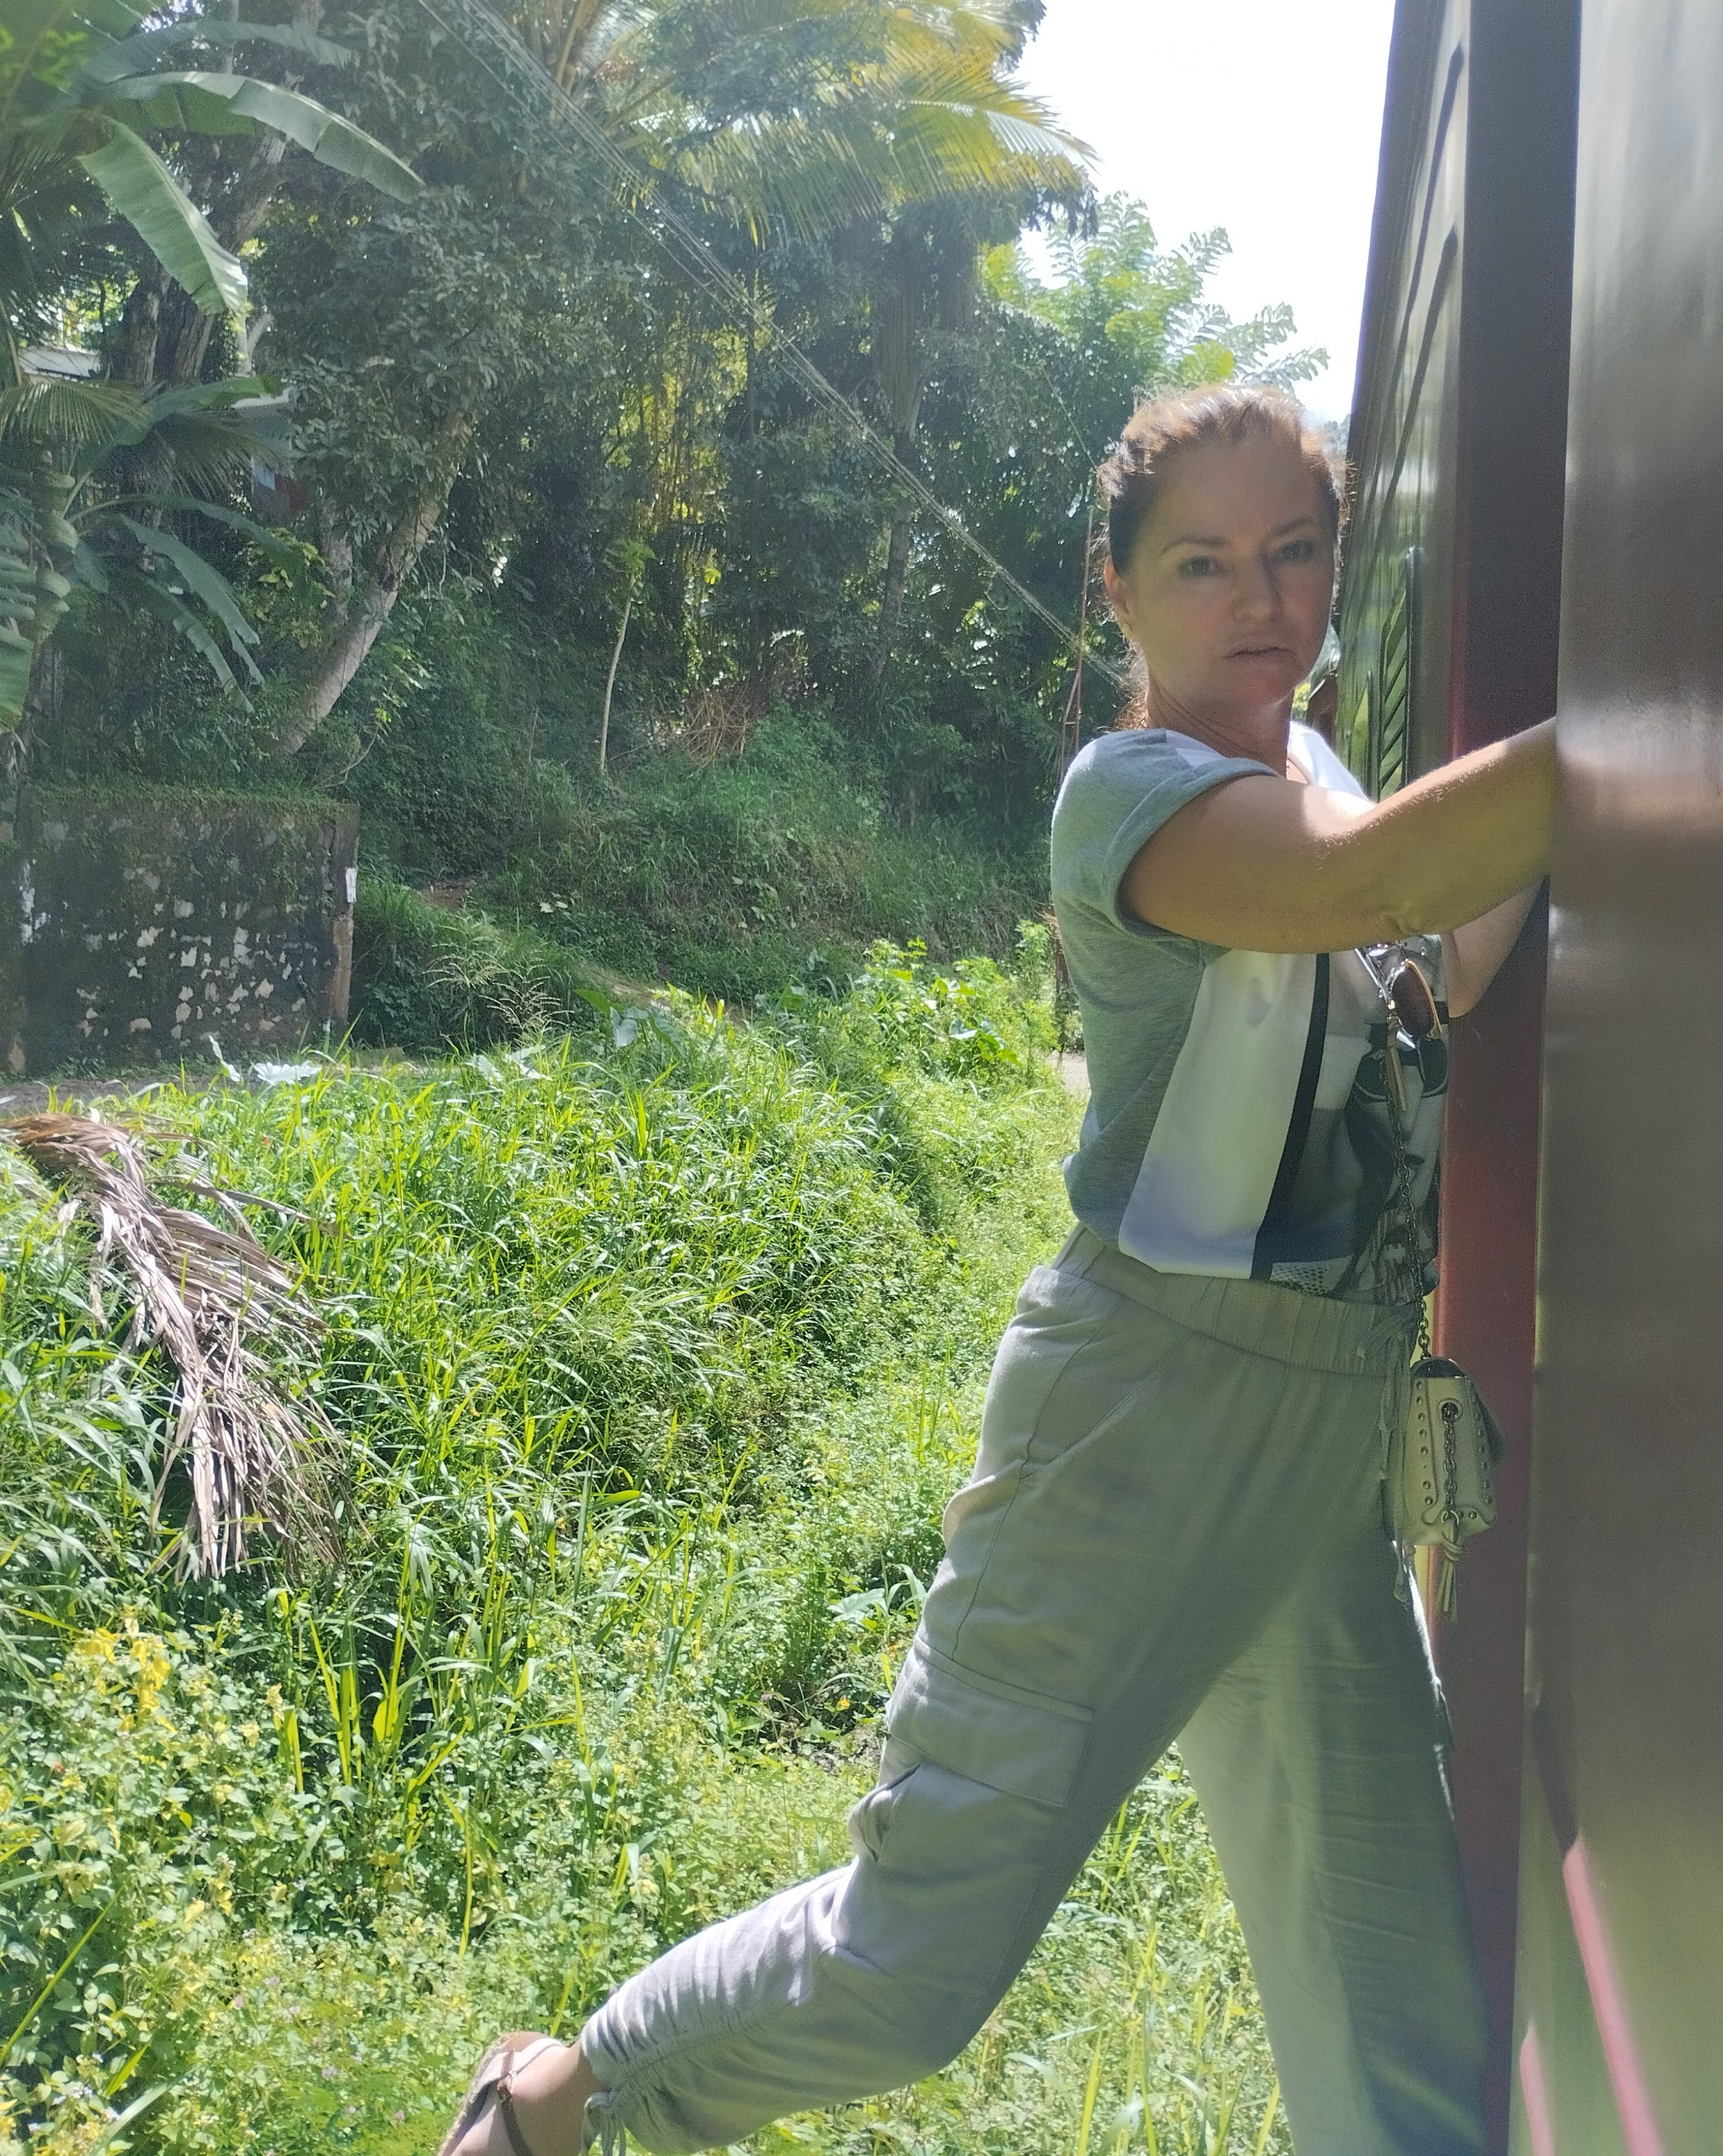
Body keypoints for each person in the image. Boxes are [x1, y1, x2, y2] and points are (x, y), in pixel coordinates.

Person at [439, 387, 1555, 2156]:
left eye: (1293, 551)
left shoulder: (1318, 770)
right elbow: (1387, 876)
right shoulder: (1135, 794)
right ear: (1118, 592)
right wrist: (1650, 708)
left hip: (1316, 1450)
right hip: (1135, 1426)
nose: (1257, 595)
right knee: (912, 1966)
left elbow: (1455, 938)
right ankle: (567, 2097)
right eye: (1201, 561)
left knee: (1391, 2010)